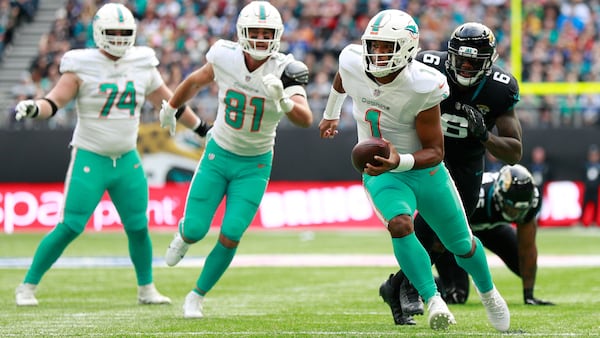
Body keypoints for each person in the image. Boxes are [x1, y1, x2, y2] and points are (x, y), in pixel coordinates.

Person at [318, 10, 509, 332]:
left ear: (407, 48)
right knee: (400, 224)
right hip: (382, 172)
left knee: (461, 244)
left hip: (424, 170)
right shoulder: (352, 60)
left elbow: (436, 152)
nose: (377, 54)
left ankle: (489, 293)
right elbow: (342, 76)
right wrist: (331, 113)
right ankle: (432, 298)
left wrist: (399, 160)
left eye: (386, 47)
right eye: (373, 45)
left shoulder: (423, 84)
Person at [13, 3, 210, 307]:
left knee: (138, 226)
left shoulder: (142, 62)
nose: (119, 38)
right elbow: (55, 101)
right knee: (71, 226)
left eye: (124, 33)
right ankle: (27, 286)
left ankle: (146, 288)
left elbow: (172, 103)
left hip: (127, 159)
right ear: (98, 33)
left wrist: (201, 128)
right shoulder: (81, 64)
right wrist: (34, 108)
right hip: (91, 158)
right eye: (113, 33)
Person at [160, 1, 313, 319]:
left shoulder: (286, 69)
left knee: (231, 234)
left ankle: (196, 296)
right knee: (196, 230)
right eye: (254, 32)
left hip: (254, 164)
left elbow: (305, 118)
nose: (259, 38)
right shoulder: (224, 56)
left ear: (277, 35)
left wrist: (283, 100)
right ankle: (184, 235)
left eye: (266, 32)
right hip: (218, 154)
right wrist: (171, 106)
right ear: (241, 33)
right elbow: (194, 81)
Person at [377, 22, 523, 326]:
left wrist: (485, 136)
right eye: (462, 59)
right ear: (450, 55)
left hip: (465, 164)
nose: (466, 67)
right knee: (421, 226)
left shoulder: (499, 87)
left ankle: (398, 286)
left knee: (449, 237)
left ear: (488, 63)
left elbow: (514, 151)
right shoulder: (426, 66)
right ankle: (407, 289)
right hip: (424, 154)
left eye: (474, 62)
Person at [581, 144, 600, 226]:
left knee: (596, 205)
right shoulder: (586, 166)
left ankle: (594, 221)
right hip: (588, 188)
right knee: (584, 205)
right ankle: (581, 221)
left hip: (595, 189)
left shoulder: (598, 166)